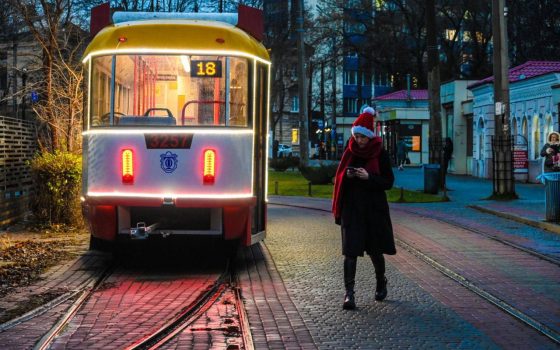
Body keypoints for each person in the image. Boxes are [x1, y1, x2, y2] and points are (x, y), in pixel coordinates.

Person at [332, 108, 397, 310]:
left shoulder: (380, 153)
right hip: (351, 209)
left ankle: (380, 282)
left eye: (362, 137)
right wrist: (348, 176)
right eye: (356, 136)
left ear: (369, 136)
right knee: (350, 252)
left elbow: (388, 181)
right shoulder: (349, 151)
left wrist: (369, 177)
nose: (358, 140)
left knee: (375, 251)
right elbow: (338, 177)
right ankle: (349, 294)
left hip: (373, 209)